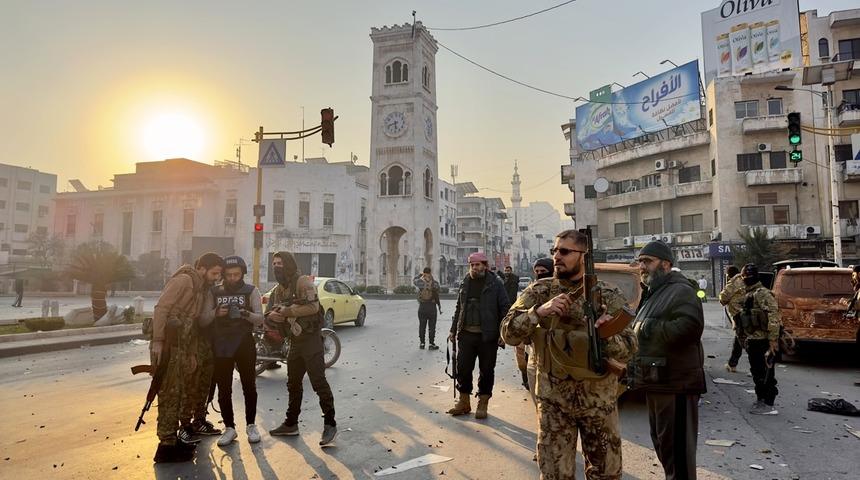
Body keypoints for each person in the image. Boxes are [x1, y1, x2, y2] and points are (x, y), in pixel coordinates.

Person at [502, 230, 637, 479]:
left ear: (583, 257)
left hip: (598, 404)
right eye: (554, 251)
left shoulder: (607, 294)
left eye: (564, 251)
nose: (556, 256)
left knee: (606, 474)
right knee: (554, 475)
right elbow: (508, 334)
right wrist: (538, 313)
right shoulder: (539, 292)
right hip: (554, 404)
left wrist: (606, 333)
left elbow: (630, 347)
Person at [631, 241, 705, 480]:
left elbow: (690, 327)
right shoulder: (655, 291)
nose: (642, 266)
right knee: (665, 448)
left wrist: (646, 327)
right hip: (658, 381)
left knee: (678, 455)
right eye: (640, 261)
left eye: (647, 261)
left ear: (665, 264)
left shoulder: (681, 289)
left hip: (677, 385)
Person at [150, 253, 224, 463]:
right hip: (167, 347)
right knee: (169, 394)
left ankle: (172, 439)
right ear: (202, 268)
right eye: (214, 273)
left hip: (182, 348)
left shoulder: (199, 288)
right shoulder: (184, 280)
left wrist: (191, 353)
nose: (216, 278)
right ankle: (165, 445)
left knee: (179, 392)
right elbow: (161, 308)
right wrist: (157, 341)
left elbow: (191, 325)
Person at [267, 251, 337, 446]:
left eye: (280, 263)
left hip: (310, 340)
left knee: (318, 382)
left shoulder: (302, 282)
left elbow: (313, 307)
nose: (277, 267)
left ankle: (330, 424)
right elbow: (269, 312)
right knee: (293, 383)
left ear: (288, 264)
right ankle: (291, 424)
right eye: (274, 263)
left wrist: (288, 311)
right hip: (295, 341)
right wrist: (273, 316)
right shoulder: (279, 290)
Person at [200, 256, 264, 446]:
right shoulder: (214, 292)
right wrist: (216, 313)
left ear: (243, 273)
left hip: (244, 343)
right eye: (228, 275)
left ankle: (251, 425)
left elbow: (260, 319)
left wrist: (245, 313)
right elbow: (203, 319)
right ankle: (229, 428)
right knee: (224, 388)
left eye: (236, 274)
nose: (233, 278)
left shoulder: (251, 291)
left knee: (249, 386)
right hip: (221, 344)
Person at [447, 252, 511, 420]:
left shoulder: (495, 284)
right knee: (463, 368)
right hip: (466, 334)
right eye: (472, 265)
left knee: (487, 370)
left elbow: (505, 309)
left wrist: (503, 333)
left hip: (488, 336)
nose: (475, 268)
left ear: (485, 265)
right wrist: (453, 330)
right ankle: (464, 402)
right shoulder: (465, 282)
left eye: (478, 265)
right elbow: (459, 308)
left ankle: (483, 403)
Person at [735, 263, 781, 415]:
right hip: (753, 340)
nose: (745, 279)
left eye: (746, 277)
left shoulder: (762, 293)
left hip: (763, 340)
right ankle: (761, 399)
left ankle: (768, 403)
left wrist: (773, 340)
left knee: (765, 373)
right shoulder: (749, 293)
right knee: (756, 372)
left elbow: (774, 316)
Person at [515, 257, 555, 400]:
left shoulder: (558, 291)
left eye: (543, 271)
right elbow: (516, 318)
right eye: (537, 271)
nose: (539, 274)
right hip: (533, 348)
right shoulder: (531, 292)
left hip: (556, 351)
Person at [719, 266, 744, 373]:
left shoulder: (734, 282)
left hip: (739, 314)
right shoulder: (745, 279)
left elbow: (723, 297)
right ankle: (732, 363)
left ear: (729, 274)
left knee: (741, 339)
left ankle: (732, 364)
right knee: (740, 339)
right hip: (751, 313)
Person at [413, 267, 442, 350]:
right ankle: (431, 344)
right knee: (432, 327)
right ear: (430, 272)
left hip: (422, 307)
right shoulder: (434, 283)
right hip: (432, 307)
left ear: (424, 273)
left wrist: (420, 275)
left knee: (422, 326)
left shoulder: (420, 282)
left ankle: (422, 343)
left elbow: (414, 280)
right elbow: (438, 290)